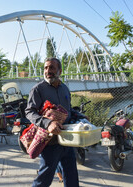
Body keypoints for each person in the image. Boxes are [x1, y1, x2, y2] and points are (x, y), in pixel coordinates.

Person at [25, 57, 85, 187]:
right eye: (46, 68)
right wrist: (48, 123)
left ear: (60, 71)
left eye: (52, 67)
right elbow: (30, 112)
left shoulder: (64, 88)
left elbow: (68, 111)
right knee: (45, 177)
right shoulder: (38, 89)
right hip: (49, 142)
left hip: (67, 139)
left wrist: (81, 116)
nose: (48, 71)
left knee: (71, 175)